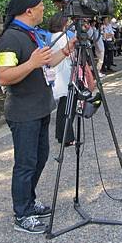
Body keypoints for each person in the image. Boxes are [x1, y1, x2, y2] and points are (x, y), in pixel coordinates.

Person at [0, 0, 76, 234]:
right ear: (29, 10)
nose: (44, 9)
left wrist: (64, 51)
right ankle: (21, 214)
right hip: (23, 111)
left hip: (40, 107)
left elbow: (46, 62)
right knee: (25, 163)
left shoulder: (32, 34)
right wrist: (30, 63)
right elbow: (4, 76)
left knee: (39, 158)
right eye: (41, 5)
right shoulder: (11, 38)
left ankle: (29, 202)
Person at [48, 13, 75, 146]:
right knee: (68, 107)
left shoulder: (53, 36)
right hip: (65, 74)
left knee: (63, 107)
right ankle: (67, 136)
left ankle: (61, 134)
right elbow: (70, 54)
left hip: (59, 73)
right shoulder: (62, 37)